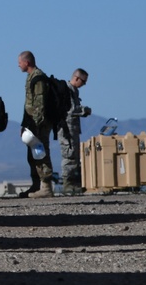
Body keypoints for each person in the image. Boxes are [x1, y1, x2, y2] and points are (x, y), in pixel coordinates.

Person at [18, 50, 54, 198]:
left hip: (39, 124)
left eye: (20, 62)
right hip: (31, 124)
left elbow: (40, 104)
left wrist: (37, 125)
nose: (18, 65)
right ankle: (36, 185)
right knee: (33, 155)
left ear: (27, 62)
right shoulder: (31, 78)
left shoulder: (38, 78)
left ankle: (46, 187)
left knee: (40, 153)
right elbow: (29, 104)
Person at [58, 68, 91, 195]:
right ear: (76, 78)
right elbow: (70, 110)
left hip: (73, 129)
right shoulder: (67, 90)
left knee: (75, 157)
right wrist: (85, 110)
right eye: (83, 81)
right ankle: (68, 185)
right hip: (66, 129)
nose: (84, 84)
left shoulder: (74, 91)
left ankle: (74, 185)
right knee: (69, 157)